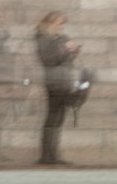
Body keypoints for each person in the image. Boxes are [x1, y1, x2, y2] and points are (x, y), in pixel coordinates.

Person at [35, 11, 81, 164]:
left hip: (64, 81)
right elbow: (48, 60)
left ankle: (53, 156)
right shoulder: (43, 38)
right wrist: (65, 50)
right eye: (60, 23)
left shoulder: (62, 38)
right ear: (51, 22)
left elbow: (67, 60)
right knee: (52, 119)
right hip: (54, 82)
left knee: (58, 120)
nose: (62, 26)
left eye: (63, 24)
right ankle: (47, 156)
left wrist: (74, 51)